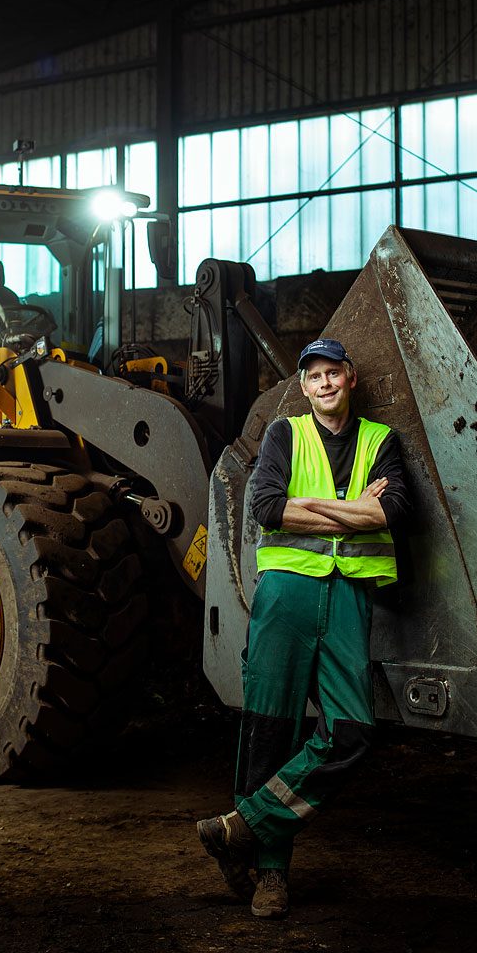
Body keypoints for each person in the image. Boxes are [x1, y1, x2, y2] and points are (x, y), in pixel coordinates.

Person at [196, 336, 410, 919]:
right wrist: (349, 511)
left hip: (348, 599)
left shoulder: (380, 441)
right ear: (305, 385)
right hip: (287, 590)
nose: (323, 384)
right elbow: (266, 506)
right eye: (313, 376)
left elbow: (392, 512)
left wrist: (310, 505)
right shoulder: (283, 434)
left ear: (351, 377)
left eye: (332, 373)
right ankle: (270, 875)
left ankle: (242, 827)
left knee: (352, 733)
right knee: (270, 729)